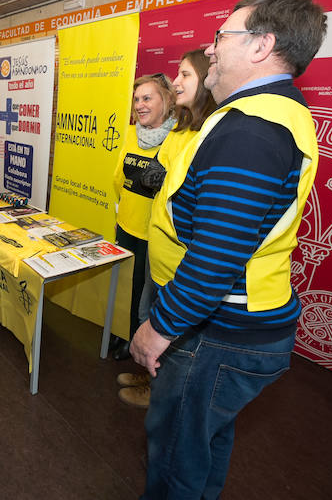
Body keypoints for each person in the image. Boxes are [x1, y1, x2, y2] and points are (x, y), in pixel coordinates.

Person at [131, 0, 326, 499]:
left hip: (219, 331)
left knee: (176, 453)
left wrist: (159, 327)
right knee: (203, 442)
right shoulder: (261, 115)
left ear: (262, 45)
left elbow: (216, 255)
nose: (211, 49)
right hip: (235, 326)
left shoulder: (252, 129)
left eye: (221, 37)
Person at [116, 49, 216, 408]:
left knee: (168, 327)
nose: (177, 81)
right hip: (157, 246)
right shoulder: (183, 128)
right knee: (147, 315)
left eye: (186, 75)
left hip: (175, 254)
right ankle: (148, 375)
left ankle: (158, 389)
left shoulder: (206, 133)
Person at [109, 74, 177, 365]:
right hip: (126, 224)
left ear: (166, 101)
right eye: (136, 99)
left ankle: (140, 341)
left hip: (156, 233)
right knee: (127, 285)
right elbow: (118, 177)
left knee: (147, 294)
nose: (139, 105)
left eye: (147, 98)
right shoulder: (129, 133)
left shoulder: (178, 140)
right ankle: (124, 333)